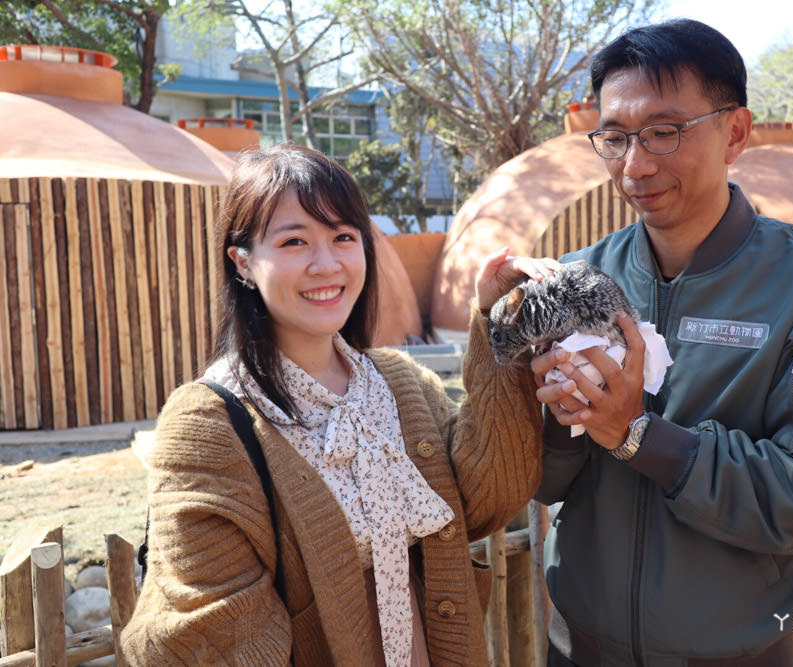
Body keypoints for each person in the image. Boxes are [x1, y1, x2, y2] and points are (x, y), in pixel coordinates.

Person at [531, 19, 793, 666]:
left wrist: (641, 435)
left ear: (736, 132)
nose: (635, 165)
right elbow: (546, 482)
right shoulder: (577, 279)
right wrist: (562, 420)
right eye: (615, 138)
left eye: (665, 131)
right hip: (579, 650)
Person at [121, 143, 553, 665]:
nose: (326, 264)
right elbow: (220, 628)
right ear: (243, 262)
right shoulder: (209, 425)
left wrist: (497, 321)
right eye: (295, 241)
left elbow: (483, 501)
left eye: (344, 237)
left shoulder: (397, 383)